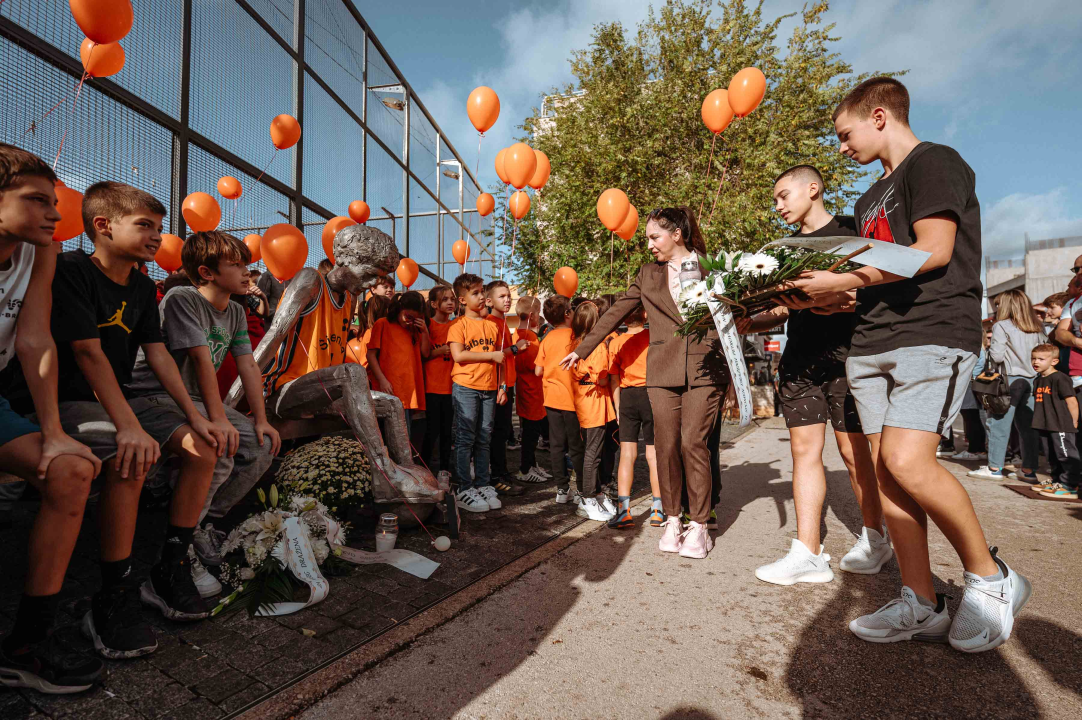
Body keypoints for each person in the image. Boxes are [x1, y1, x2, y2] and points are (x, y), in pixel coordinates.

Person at [793, 77, 1030, 650]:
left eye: (845, 135)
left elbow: (934, 250)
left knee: (908, 460)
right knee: (886, 472)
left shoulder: (935, 162)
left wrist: (844, 277)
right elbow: (876, 277)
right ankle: (921, 601)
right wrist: (824, 294)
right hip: (872, 341)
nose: (842, 148)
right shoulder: (866, 199)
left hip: (933, 333)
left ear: (879, 116)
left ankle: (993, 579)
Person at [4, 181, 228, 657]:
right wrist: (128, 425)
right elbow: (87, 353)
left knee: (203, 447)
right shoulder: (69, 270)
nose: (156, 237)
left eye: (160, 228)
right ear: (103, 226)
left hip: (116, 398)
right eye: (145, 226)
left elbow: (159, 355)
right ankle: (114, 592)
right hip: (67, 399)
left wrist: (197, 415)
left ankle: (169, 567)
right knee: (132, 452)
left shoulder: (145, 286)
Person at [743, 164, 888, 586]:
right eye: (775, 199)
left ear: (813, 188)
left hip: (849, 357)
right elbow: (784, 307)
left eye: (783, 195)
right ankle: (808, 552)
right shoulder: (780, 249)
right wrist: (749, 320)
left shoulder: (853, 229)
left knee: (852, 453)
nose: (778, 205)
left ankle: (876, 538)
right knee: (803, 452)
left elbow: (878, 289)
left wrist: (844, 299)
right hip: (800, 360)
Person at [561, 207, 730, 560]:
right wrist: (583, 350)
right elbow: (614, 312)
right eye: (648, 238)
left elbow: (733, 313)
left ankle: (698, 524)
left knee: (692, 443)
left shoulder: (713, 267)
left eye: (655, 237)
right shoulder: (647, 275)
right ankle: (672, 519)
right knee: (666, 445)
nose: (649, 244)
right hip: (663, 371)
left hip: (705, 368)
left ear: (677, 235)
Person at [0, 144, 105, 693]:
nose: (54, 212)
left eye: (54, 200)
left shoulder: (39, 253)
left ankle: (26, 644)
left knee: (71, 470)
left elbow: (34, 338)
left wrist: (55, 434)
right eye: (36, 200)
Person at [127, 231, 279, 576]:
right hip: (155, 394)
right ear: (207, 272)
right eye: (236, 265)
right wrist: (216, 420)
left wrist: (261, 418)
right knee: (221, 445)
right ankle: (182, 535)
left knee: (263, 443)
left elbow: (248, 365)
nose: (246, 273)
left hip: (195, 398)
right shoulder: (183, 297)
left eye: (247, 265)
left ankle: (207, 521)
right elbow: (199, 359)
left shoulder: (237, 312)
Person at [447, 273, 523, 512]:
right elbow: (459, 355)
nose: (481, 297)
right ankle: (463, 488)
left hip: (490, 388)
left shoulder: (492, 326)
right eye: (476, 293)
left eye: (482, 292)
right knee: (465, 438)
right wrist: (490, 355)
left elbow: (500, 362)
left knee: (484, 437)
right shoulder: (458, 326)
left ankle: (482, 484)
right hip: (466, 388)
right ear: (462, 299)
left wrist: (501, 386)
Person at [968, 289, 1044, 481]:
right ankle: (1029, 471)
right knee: (1028, 428)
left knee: (999, 424)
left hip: (1009, 380)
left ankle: (994, 468)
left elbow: (997, 356)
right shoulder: (1037, 327)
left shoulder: (1002, 326)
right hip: (1033, 380)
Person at [605, 302, 664, 529]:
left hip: (627, 397)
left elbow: (613, 378)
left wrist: (618, 407)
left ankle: (624, 511)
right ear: (645, 314)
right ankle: (657, 510)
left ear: (623, 319)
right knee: (653, 455)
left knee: (627, 454)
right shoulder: (653, 337)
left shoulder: (616, 342)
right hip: (651, 395)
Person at [568, 301, 618, 521]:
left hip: (585, 399)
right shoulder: (596, 345)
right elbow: (603, 377)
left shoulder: (575, 343)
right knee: (593, 453)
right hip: (594, 400)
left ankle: (595, 493)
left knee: (591, 450)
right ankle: (589, 497)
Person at [537, 295, 584, 506]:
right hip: (573, 400)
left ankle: (562, 489)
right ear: (567, 314)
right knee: (576, 446)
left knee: (556, 445)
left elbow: (538, 370)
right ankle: (583, 488)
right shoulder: (576, 336)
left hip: (551, 399)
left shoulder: (546, 338)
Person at [367, 290, 429, 444]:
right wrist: (382, 380)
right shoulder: (382, 324)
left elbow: (425, 353)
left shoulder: (416, 330)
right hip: (388, 390)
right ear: (399, 308)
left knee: (403, 439)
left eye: (416, 318)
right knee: (386, 439)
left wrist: (425, 331)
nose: (410, 321)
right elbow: (370, 355)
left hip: (407, 393)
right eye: (408, 317)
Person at [485, 280, 526, 497]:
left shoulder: (501, 323)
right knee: (497, 434)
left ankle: (502, 473)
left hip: (506, 384)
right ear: (490, 301)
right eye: (502, 296)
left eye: (508, 295)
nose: (507, 299)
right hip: (498, 386)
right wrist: (516, 349)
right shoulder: (491, 323)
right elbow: (496, 357)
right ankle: (496, 477)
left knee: (502, 432)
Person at [1029, 344, 1080, 499]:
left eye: (1041, 359)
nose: (1035, 362)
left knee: (1066, 455)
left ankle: (1070, 485)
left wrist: (1074, 421)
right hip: (1045, 424)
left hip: (1061, 424)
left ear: (1054, 361)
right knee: (1052, 455)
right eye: (1033, 358)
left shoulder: (1060, 378)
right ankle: (1057, 480)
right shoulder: (1038, 380)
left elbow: (1072, 401)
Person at [512, 296, 551, 484]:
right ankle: (525, 468)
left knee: (531, 431)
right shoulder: (527, 336)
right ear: (533, 315)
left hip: (530, 389)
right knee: (530, 432)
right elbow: (532, 365)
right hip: (531, 390)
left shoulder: (518, 335)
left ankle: (531, 464)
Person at [420, 284, 455, 476]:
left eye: (452, 299)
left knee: (447, 432)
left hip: (452, 387)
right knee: (431, 431)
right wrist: (438, 351)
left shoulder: (457, 325)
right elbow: (422, 355)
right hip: (432, 387)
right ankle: (424, 470)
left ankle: (444, 471)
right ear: (433, 304)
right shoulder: (428, 325)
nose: (450, 302)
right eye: (445, 299)